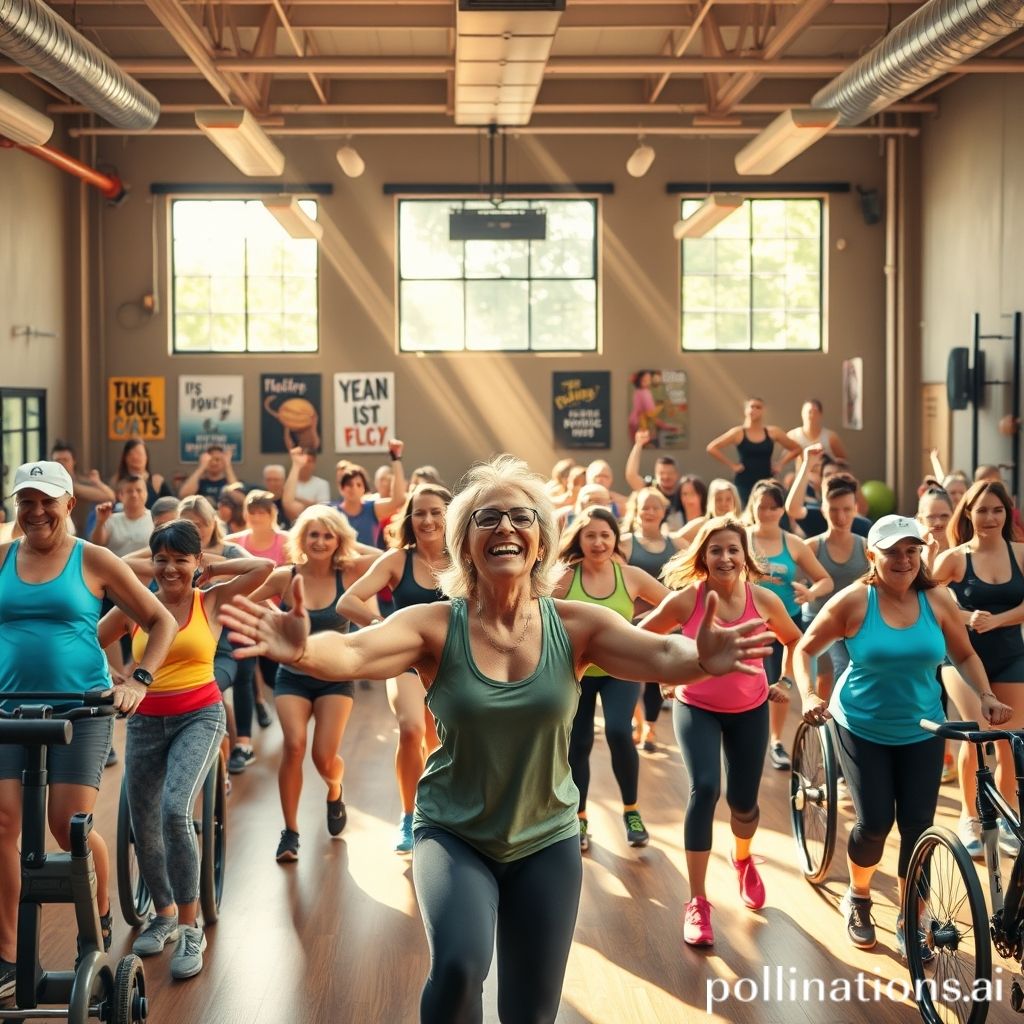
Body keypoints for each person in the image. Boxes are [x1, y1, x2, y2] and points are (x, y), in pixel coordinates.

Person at [219, 455, 772, 1024]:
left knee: (531, 1013)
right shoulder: (434, 625)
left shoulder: (577, 625)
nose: (505, 527)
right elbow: (358, 650)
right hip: (455, 833)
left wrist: (703, 657)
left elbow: (658, 652)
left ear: (542, 541)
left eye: (520, 517)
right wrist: (305, 651)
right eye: (487, 519)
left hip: (547, 837)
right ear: (464, 546)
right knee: (459, 967)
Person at [796, 514, 1012, 959]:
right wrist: (805, 693)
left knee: (917, 826)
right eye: (892, 551)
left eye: (912, 550)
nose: (903, 560)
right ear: (872, 555)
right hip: (862, 725)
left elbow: (965, 654)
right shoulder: (854, 601)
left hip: (922, 727)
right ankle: (858, 897)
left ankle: (911, 916)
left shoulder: (938, 599)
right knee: (874, 823)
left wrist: (986, 694)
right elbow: (804, 648)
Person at [0, 461, 176, 998]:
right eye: (25, 501)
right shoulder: (3, 558)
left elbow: (159, 619)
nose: (35, 512)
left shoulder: (93, 560)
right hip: (9, 710)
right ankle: (6, 956)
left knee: (67, 826)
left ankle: (97, 914)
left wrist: (140, 679)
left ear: (68, 504)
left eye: (45, 501)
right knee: (2, 824)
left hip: (80, 711)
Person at [99, 520, 272, 980]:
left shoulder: (208, 600)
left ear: (197, 562)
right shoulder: (138, 605)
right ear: (151, 561)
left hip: (200, 716)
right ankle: (165, 913)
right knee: (144, 820)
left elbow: (266, 566)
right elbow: (91, 641)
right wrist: (116, 679)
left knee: (175, 810)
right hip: (145, 721)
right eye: (162, 559)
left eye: (181, 559)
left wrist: (212, 567)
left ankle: (191, 927)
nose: (170, 568)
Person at [639, 516, 800, 946]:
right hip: (697, 708)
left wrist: (783, 681)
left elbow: (794, 639)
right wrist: (663, 668)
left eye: (733, 549)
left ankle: (743, 859)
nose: (725, 557)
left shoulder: (764, 600)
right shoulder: (686, 600)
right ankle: (697, 902)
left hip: (750, 709)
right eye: (716, 550)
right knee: (705, 789)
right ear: (703, 559)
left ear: (745, 557)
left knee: (743, 804)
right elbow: (638, 637)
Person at [245, 507, 379, 861]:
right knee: (293, 746)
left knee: (323, 756)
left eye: (328, 535)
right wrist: (271, 621)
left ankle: (334, 790)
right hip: (293, 677)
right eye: (313, 534)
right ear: (301, 539)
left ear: (339, 540)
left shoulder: (348, 573)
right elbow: (242, 602)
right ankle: (290, 833)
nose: (320, 542)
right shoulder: (284, 577)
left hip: (335, 679)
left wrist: (349, 544)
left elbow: (386, 558)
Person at [338, 484, 452, 852]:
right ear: (409, 518)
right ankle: (408, 817)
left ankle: (440, 813)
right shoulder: (397, 560)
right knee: (410, 729)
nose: (428, 519)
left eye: (436, 511)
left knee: (440, 741)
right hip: (406, 662)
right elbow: (348, 600)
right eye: (420, 512)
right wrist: (380, 626)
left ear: (450, 515)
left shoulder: (466, 557)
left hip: (453, 662)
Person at [553, 506, 674, 851]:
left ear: (615, 539)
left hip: (619, 670)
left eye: (605, 535)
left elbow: (675, 605)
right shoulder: (565, 576)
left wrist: (645, 630)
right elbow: (538, 614)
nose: (598, 542)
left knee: (621, 732)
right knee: (578, 744)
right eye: (590, 535)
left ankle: (632, 812)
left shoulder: (630, 576)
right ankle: (579, 818)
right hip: (575, 673)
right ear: (579, 539)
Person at [932, 480, 1024, 858]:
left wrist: (998, 620)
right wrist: (966, 616)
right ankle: (969, 815)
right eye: (982, 510)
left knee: (1012, 738)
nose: (990, 517)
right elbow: (928, 599)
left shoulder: (1020, 552)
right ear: (968, 513)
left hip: (1010, 655)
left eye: (997, 510)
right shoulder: (954, 558)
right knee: (980, 732)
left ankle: (1008, 816)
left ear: (1007, 513)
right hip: (960, 656)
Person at [745, 479, 832, 769]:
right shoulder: (741, 539)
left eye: (774, 507)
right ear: (753, 506)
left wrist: (810, 593)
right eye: (762, 506)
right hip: (749, 621)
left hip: (786, 621)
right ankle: (746, 738)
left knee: (781, 684)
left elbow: (824, 579)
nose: (768, 512)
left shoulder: (793, 543)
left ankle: (776, 741)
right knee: (751, 682)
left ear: (782, 510)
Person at [620, 488, 686, 751]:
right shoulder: (624, 543)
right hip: (631, 620)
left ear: (663, 512)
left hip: (666, 620)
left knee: (658, 674)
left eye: (654, 507)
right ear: (636, 510)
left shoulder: (677, 544)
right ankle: (637, 721)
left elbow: (692, 572)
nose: (649, 511)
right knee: (631, 676)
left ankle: (650, 726)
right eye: (644, 507)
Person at [800, 473, 868, 697]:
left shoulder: (867, 548)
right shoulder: (811, 547)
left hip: (855, 624)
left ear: (856, 509)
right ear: (823, 509)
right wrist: (805, 592)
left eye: (847, 509)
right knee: (831, 674)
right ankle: (824, 721)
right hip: (818, 621)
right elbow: (789, 580)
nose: (841, 516)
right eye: (834, 510)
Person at [705, 397, 801, 507]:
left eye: (758, 407)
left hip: (766, 482)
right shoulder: (738, 433)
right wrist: (732, 465)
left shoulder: (772, 432)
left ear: (763, 410)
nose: (754, 410)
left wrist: (780, 464)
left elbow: (796, 448)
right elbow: (712, 448)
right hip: (744, 483)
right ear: (746, 410)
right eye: (751, 406)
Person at [784, 445, 872, 539]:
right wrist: (807, 464)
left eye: (847, 509)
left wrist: (853, 484)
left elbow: (863, 509)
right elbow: (793, 509)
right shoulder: (817, 517)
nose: (840, 518)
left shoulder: (864, 526)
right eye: (828, 475)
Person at [333, 440, 408, 545]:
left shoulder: (372, 509)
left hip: (370, 560)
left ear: (364, 489)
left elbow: (398, 500)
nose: (354, 488)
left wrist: (396, 459)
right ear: (341, 488)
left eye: (359, 484)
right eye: (349, 484)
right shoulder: (332, 513)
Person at [50, 439, 115, 533]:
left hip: (88, 533)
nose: (61, 464)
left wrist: (97, 483)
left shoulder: (81, 481)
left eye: (65, 460)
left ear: (74, 461)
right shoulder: (51, 486)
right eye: (57, 460)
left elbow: (111, 497)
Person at [624, 430, 683, 528]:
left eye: (670, 473)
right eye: (662, 473)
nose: (666, 477)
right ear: (655, 474)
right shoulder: (650, 489)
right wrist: (638, 445)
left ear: (677, 475)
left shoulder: (683, 493)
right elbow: (631, 475)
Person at [91, 476, 154, 557]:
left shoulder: (155, 518)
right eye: (129, 491)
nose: (134, 495)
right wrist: (100, 523)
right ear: (120, 495)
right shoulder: (111, 519)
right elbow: (97, 543)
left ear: (146, 493)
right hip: (114, 568)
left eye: (139, 490)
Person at [673, 479, 742, 545]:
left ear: (735, 502)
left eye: (728, 499)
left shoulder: (742, 527)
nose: (723, 503)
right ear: (711, 503)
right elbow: (673, 540)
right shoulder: (702, 525)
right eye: (718, 499)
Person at [112, 439, 173, 508]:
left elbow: (173, 506)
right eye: (132, 453)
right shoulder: (117, 482)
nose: (136, 457)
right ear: (125, 457)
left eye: (139, 453)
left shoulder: (157, 481)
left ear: (146, 457)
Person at [787, 399, 848, 464]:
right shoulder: (792, 436)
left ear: (820, 414)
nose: (810, 416)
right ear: (802, 413)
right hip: (801, 472)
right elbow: (784, 461)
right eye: (808, 412)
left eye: (814, 412)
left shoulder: (831, 437)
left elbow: (843, 461)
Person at [282, 446, 331, 524]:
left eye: (309, 461)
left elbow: (322, 508)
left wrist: (297, 499)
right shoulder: (290, 483)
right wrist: (296, 465)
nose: (306, 464)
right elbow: (287, 504)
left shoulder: (322, 484)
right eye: (303, 461)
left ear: (314, 464)